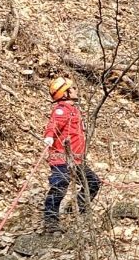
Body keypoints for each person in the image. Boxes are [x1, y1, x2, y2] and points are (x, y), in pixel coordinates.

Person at [42, 77, 101, 233]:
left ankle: (76, 207)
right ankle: (50, 220)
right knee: (59, 185)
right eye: (72, 88)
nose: (76, 89)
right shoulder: (61, 110)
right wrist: (49, 137)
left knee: (93, 182)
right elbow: (53, 125)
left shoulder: (74, 110)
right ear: (65, 93)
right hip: (61, 158)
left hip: (76, 159)